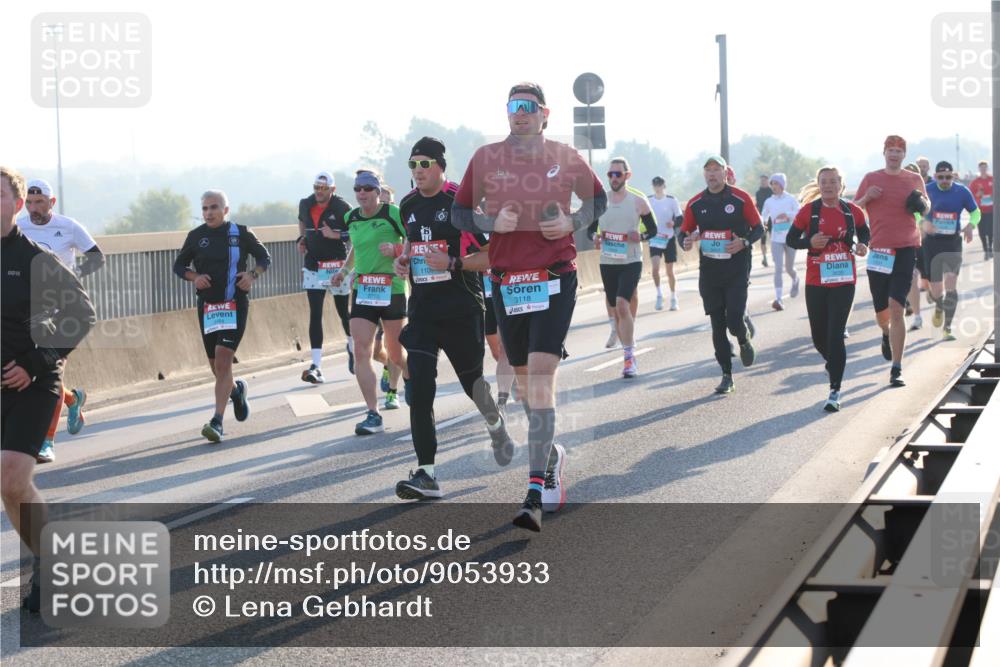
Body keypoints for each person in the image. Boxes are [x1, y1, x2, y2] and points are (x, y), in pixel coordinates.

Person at [452, 81, 607, 531]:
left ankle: (533, 493)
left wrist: (573, 222)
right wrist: (488, 221)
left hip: (554, 278)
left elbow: (596, 198)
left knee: (540, 380)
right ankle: (551, 452)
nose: (519, 114)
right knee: (524, 390)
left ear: (545, 114)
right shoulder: (486, 158)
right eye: (512, 107)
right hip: (506, 284)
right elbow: (459, 212)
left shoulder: (564, 157)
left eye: (528, 107)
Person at [392, 137, 516, 499]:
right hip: (424, 313)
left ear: (440, 166)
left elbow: (493, 253)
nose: (417, 171)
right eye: (412, 164)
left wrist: (454, 263)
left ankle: (496, 426)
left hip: (462, 309)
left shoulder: (461, 202)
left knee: (473, 384)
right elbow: (413, 246)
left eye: (424, 163)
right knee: (421, 392)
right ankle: (426, 473)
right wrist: (404, 260)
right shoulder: (408, 205)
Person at [2, 166, 96, 611]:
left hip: (35, 382)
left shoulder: (36, 258)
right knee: (10, 489)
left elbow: (81, 313)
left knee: (11, 476)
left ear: (17, 205)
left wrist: (35, 363)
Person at [18, 178, 105, 463]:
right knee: (36, 374)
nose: (34, 208)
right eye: (29, 203)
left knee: (52, 371)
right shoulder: (18, 227)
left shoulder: (68, 226)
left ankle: (46, 440)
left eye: (39, 202)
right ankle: (72, 399)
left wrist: (71, 278)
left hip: (62, 309)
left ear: (51, 203)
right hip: (29, 310)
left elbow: (96, 258)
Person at [173, 190, 270, 442]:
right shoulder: (196, 236)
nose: (208, 213)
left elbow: (264, 257)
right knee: (215, 366)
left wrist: (252, 275)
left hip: (234, 304)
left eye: (214, 207)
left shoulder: (241, 233)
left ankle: (217, 421)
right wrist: (196, 277)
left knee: (224, 359)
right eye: (204, 208)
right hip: (208, 308)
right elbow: (178, 266)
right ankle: (236, 390)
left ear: (225, 210)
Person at [331, 170, 410, 434]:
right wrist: (344, 270)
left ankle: (412, 382)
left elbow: (412, 240)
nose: (362, 193)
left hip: (392, 287)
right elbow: (356, 246)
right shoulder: (350, 217)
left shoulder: (393, 213)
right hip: (364, 288)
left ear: (377, 191)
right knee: (361, 351)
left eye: (367, 188)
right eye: (357, 189)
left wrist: (398, 251)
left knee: (395, 352)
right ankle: (373, 414)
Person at [678, 155, 763, 394]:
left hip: (736, 268)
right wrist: (685, 240)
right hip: (710, 271)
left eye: (716, 170)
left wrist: (744, 242)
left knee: (734, 319)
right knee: (717, 324)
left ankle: (743, 339)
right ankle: (727, 375)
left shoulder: (740, 198)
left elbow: (759, 228)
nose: (712, 174)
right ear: (704, 175)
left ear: (725, 173)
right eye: (708, 170)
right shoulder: (696, 203)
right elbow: (684, 231)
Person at [787, 167, 870, 411]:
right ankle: (833, 362)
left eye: (833, 182)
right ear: (819, 185)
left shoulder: (851, 210)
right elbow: (792, 239)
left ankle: (835, 390)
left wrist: (863, 244)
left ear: (841, 185)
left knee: (835, 335)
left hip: (844, 280)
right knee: (819, 337)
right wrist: (809, 242)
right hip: (816, 281)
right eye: (824, 182)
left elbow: (864, 230)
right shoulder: (809, 212)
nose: (828, 186)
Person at [853, 135, 929, 387]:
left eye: (899, 151)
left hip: (906, 248)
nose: (894, 154)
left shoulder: (913, 179)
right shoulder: (871, 178)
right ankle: (886, 333)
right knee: (881, 311)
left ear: (904, 155)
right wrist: (867, 198)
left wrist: (922, 204)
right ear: (884, 152)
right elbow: (853, 210)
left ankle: (896, 368)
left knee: (897, 308)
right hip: (879, 251)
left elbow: (926, 204)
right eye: (891, 150)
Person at [589, 158, 657, 377]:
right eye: (610, 174)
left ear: (627, 176)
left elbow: (653, 231)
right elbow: (590, 230)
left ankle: (629, 359)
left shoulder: (638, 201)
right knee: (616, 310)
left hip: (631, 261)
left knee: (621, 304)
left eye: (618, 174)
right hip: (608, 261)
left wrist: (641, 235)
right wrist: (595, 238)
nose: (613, 178)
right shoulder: (601, 202)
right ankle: (627, 340)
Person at [297, 171, 352, 384]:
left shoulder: (342, 207)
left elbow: (354, 233)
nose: (319, 192)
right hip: (313, 265)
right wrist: (302, 238)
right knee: (315, 313)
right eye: (316, 188)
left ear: (332, 189)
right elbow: (302, 222)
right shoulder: (305, 204)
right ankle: (316, 365)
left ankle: (352, 346)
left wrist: (335, 235)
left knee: (342, 312)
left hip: (336, 265)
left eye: (323, 189)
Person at [923, 161, 979, 341]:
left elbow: (975, 212)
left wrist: (971, 225)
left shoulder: (962, 191)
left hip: (952, 242)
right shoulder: (928, 189)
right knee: (937, 288)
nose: (945, 181)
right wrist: (922, 222)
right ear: (935, 176)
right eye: (941, 177)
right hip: (931, 243)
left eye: (949, 177)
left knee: (951, 284)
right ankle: (939, 306)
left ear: (953, 176)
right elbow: (916, 211)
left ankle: (947, 327)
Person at [760, 173, 801, 310]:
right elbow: (763, 216)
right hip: (776, 239)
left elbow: (800, 213)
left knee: (789, 268)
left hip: (790, 238)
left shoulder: (790, 199)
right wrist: (762, 224)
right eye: (772, 184)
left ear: (782, 185)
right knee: (778, 268)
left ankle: (795, 279)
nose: (774, 187)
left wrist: (787, 215)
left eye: (776, 184)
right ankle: (778, 299)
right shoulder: (769, 201)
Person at [647, 176, 683, 311]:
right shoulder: (649, 200)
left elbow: (680, 217)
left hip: (668, 238)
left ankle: (673, 297)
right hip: (655, 238)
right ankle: (659, 294)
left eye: (660, 184)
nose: (657, 187)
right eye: (655, 184)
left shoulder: (671, 200)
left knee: (669, 271)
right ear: (653, 186)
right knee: (655, 269)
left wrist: (673, 223)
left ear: (664, 186)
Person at [902, 163, 929, 330]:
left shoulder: (920, 194)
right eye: (907, 174)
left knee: (928, 280)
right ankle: (917, 316)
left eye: (913, 175)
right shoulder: (896, 191)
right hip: (905, 243)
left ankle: (933, 295)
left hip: (923, 240)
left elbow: (924, 214)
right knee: (911, 277)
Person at [969, 160, 995, 260]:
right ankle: (985, 249)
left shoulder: (993, 179)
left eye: (985, 167)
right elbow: (970, 196)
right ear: (979, 169)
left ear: (987, 168)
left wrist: (994, 196)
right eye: (981, 168)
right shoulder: (975, 182)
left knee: (991, 230)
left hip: (991, 209)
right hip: (980, 210)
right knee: (982, 232)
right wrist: (978, 195)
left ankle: (990, 248)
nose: (983, 169)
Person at [754, 174, 771, 267]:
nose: (762, 182)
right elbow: (757, 205)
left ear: (767, 181)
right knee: (763, 239)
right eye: (761, 180)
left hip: (772, 218)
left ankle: (777, 256)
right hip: (763, 219)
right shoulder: (758, 192)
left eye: (764, 180)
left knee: (774, 238)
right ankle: (764, 257)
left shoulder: (771, 191)